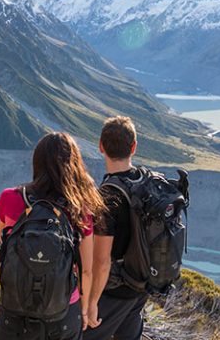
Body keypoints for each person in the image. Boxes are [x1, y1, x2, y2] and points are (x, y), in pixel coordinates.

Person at [0, 132, 106, 340]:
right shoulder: (80, 208)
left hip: (15, 304)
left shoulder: (10, 198)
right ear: (74, 166)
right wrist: (83, 309)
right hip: (63, 308)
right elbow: (87, 270)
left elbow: (5, 241)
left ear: (37, 162)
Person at [85, 116, 149, 340]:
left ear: (101, 147)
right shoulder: (146, 182)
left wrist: (92, 303)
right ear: (134, 147)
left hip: (114, 290)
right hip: (141, 284)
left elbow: (102, 261)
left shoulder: (107, 196)